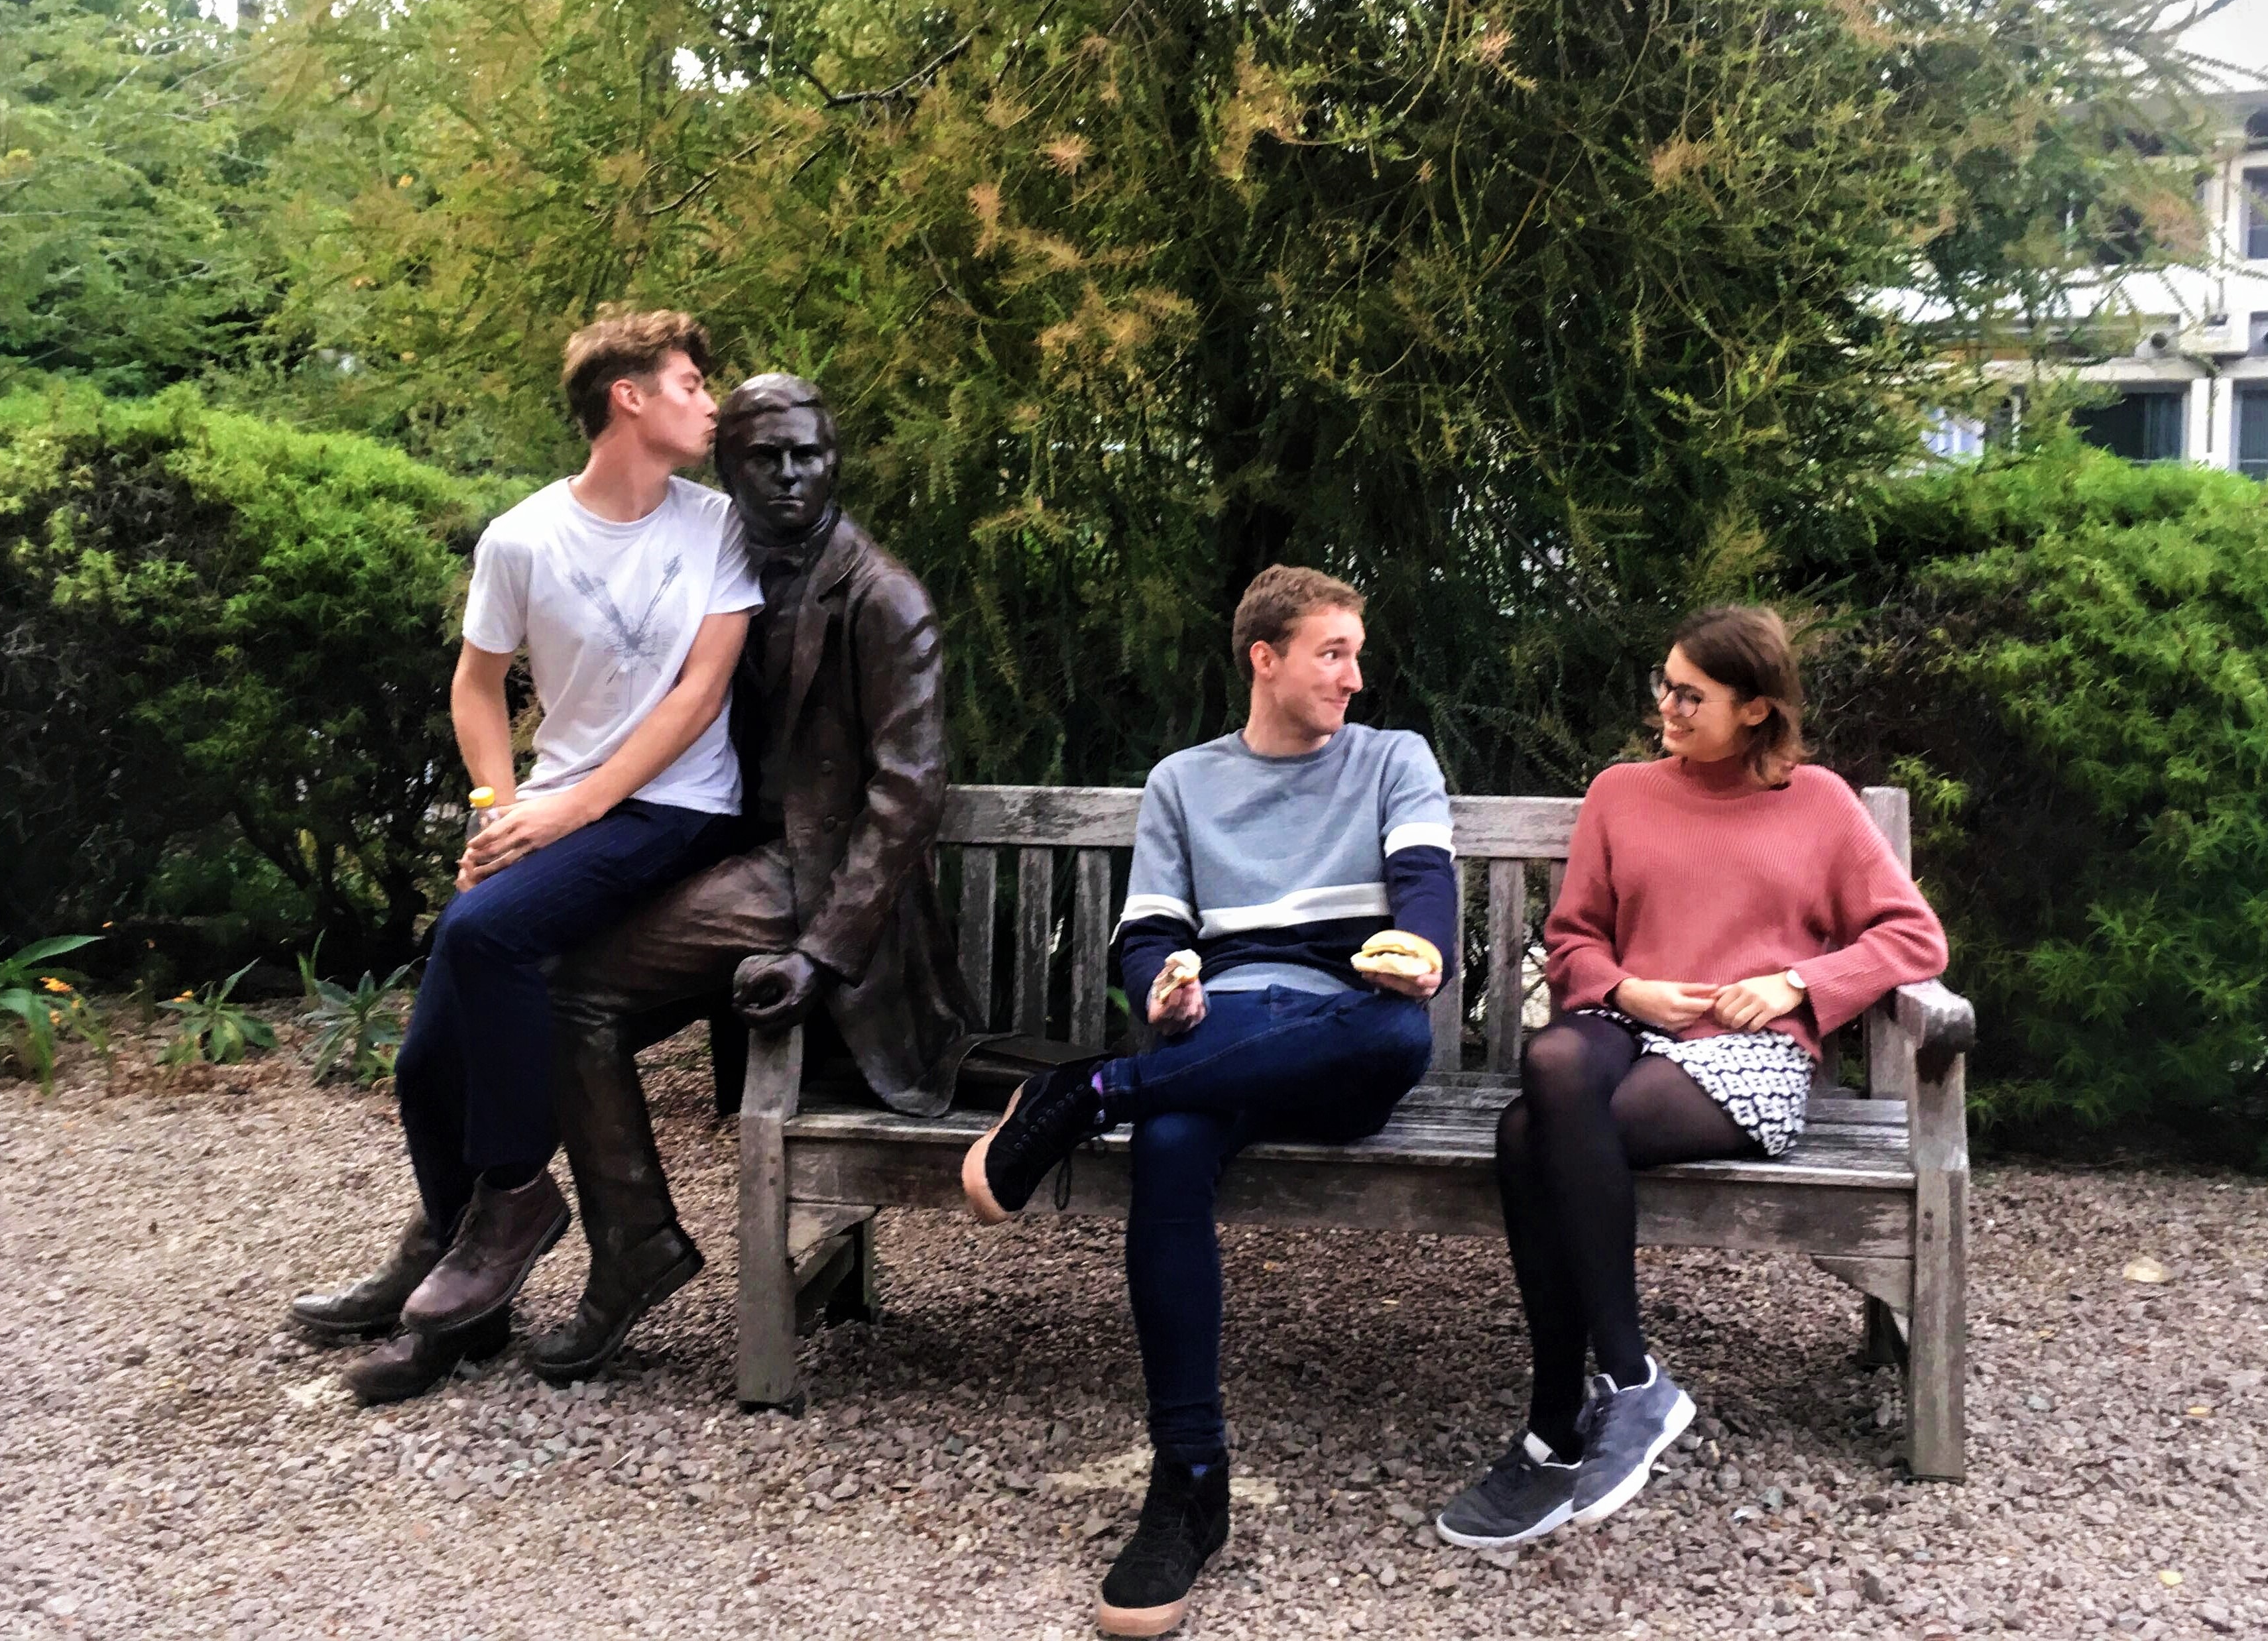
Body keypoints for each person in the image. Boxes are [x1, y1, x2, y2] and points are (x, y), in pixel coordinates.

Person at [959, 565, 1457, 1639]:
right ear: (1264, 658)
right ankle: (1189, 1480)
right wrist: (1164, 987)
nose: (1355, 679)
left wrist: (1419, 956)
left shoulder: (1392, 761)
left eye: (1358, 655)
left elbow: (1424, 889)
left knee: (1396, 1031)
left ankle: (1094, 1091)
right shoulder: (1185, 781)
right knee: (1174, 1145)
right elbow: (1148, 933)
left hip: (1345, 1026)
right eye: (1334, 653)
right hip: (1219, 1030)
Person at [290, 311, 762, 1404]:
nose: (710, 400)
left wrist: (567, 813)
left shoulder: (719, 528)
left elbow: (698, 697)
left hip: (675, 807)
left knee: (486, 932)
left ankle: (512, 1204)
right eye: (691, 382)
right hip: (560, 804)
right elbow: (476, 684)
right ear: (627, 398)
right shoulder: (523, 537)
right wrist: (498, 811)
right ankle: (459, 1296)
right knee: (423, 1064)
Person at [1435, 604, 1948, 1549]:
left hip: (1749, 1052)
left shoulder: (1820, 803)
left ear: (1756, 710)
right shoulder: (1622, 793)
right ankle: (1630, 1385)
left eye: (1690, 694)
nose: (1665, 707)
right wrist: (1629, 986)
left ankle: (1555, 1427)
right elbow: (1573, 937)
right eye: (1663, 685)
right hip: (1632, 1022)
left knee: (1525, 1138)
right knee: (1551, 1062)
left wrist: (1798, 980)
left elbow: (1914, 936)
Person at [526, 372, 986, 1386]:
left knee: (572, 994)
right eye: (764, 458)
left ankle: (635, 1245)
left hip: (803, 875)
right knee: (511, 967)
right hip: (697, 844)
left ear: (835, 458)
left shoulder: (880, 596)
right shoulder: (707, 557)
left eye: (807, 454)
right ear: (727, 467)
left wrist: (822, 952)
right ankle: (478, 1243)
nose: (789, 476)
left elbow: (908, 794)